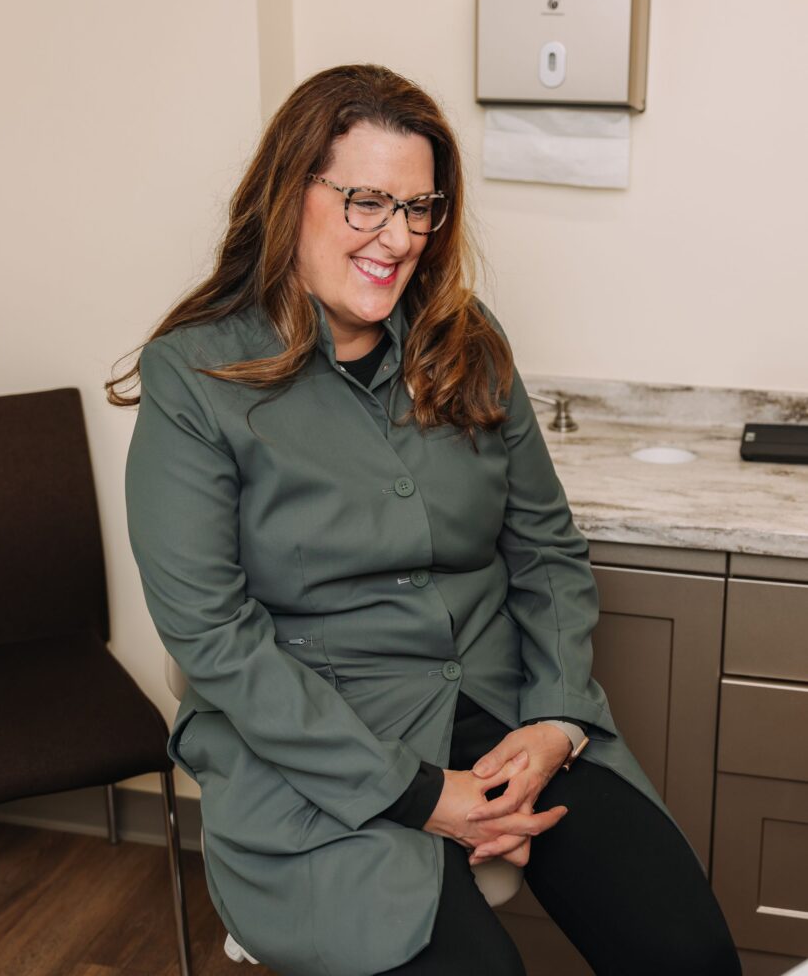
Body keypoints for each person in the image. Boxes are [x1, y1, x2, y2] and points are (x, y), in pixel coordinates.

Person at [110, 64, 741, 976]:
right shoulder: (194, 378)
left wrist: (558, 717)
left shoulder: (465, 342)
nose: (397, 237)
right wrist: (414, 793)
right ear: (291, 194)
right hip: (319, 743)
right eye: (366, 202)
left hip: (501, 710)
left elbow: (548, 552)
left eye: (419, 207)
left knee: (686, 954)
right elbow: (213, 637)